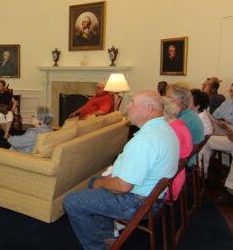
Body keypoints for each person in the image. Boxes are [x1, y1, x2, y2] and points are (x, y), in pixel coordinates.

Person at [63, 91, 179, 250]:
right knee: (93, 183)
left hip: (137, 202)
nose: (128, 106)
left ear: (149, 109)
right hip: (153, 198)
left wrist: (101, 183)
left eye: (132, 102)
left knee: (72, 201)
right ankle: (108, 235)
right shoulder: (164, 128)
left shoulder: (145, 140)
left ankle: (97, 247)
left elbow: (123, 187)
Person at [163, 96, 193, 201]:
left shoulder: (171, 131)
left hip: (167, 185)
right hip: (177, 177)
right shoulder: (180, 126)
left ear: (163, 113)